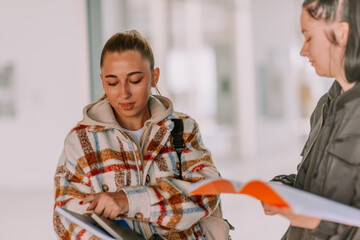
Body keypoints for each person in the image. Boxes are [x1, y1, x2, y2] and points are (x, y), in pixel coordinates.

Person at [53, 30, 222, 240]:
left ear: (154, 77)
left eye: (134, 80)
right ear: (102, 80)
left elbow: (206, 194)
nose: (123, 93)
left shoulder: (182, 128)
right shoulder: (81, 141)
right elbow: (67, 220)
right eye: (112, 83)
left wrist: (129, 201)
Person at [261, 0, 360, 239]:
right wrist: (282, 186)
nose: (303, 50)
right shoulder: (325, 106)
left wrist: (318, 222)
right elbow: (313, 184)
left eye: (309, 38)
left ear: (341, 33)